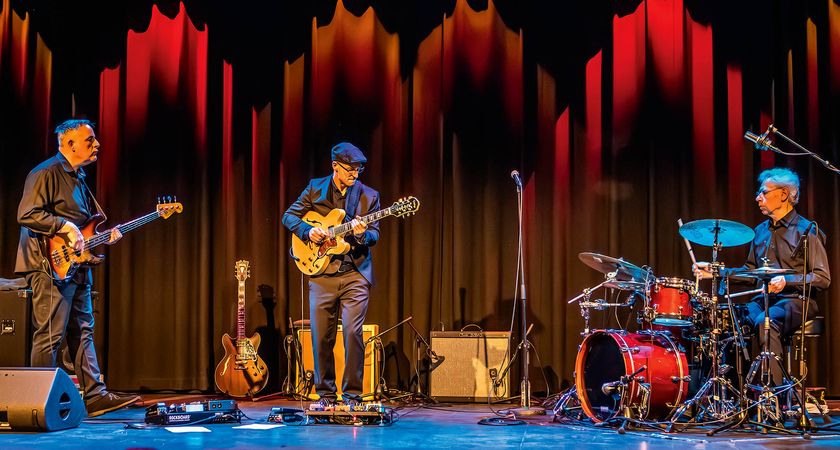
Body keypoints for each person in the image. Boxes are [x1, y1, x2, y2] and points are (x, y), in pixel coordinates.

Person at [16, 119, 140, 417]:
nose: (97, 144)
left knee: (83, 331)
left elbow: (83, 230)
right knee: (50, 335)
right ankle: (39, 401)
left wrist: (103, 237)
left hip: (77, 266)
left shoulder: (79, 177)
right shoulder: (45, 173)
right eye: (90, 140)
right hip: (49, 267)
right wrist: (63, 224)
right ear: (69, 144)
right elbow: (26, 214)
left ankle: (95, 396)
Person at [694, 167, 831, 384]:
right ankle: (736, 394)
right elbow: (751, 273)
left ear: (784, 195)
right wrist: (716, 272)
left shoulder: (807, 231)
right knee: (728, 321)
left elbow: (822, 278)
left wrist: (788, 281)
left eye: (764, 192)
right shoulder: (760, 231)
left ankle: (772, 395)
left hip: (797, 300)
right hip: (764, 299)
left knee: (765, 322)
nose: (758, 198)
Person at [282, 142, 380, 406]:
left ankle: (353, 396)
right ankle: (325, 395)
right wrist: (307, 231)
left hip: (355, 273)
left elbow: (374, 235)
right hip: (321, 273)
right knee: (321, 336)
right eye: (350, 169)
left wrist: (361, 233)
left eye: (359, 169)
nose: (355, 174)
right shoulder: (316, 188)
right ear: (335, 166)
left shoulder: (368, 196)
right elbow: (288, 217)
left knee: (352, 333)